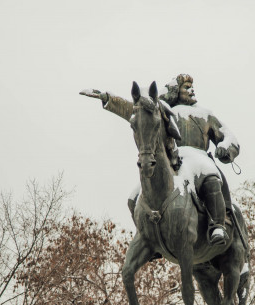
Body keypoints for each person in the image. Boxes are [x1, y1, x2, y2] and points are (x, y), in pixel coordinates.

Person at [81, 74, 239, 246]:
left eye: (192, 87)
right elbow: (134, 109)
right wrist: (108, 99)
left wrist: (225, 148)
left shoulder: (205, 115)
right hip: (173, 161)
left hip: (199, 159)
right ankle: (149, 237)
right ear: (176, 91)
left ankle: (217, 226)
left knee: (211, 180)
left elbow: (229, 138)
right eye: (186, 87)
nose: (191, 90)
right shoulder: (163, 110)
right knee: (134, 198)